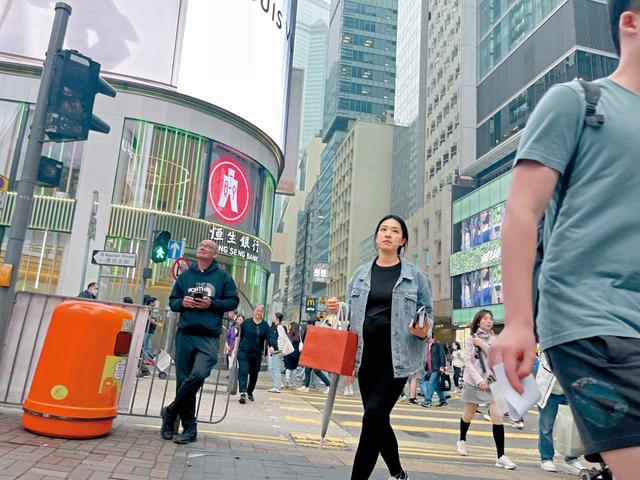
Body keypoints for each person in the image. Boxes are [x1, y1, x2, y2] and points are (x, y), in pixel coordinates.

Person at [492, 3, 640, 478]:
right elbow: (522, 211)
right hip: (592, 319)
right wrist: (518, 323)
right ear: (631, 22)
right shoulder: (579, 101)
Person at [347, 214, 432, 480]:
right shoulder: (360, 275)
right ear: (376, 236)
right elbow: (351, 314)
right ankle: (397, 472)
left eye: (394, 231)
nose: (387, 234)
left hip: (397, 359)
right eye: (383, 229)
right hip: (365, 357)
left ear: (402, 240)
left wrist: (422, 329)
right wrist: (337, 310)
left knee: (372, 416)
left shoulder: (416, 277)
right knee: (378, 421)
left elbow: (427, 314)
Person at [161, 239, 239, 444]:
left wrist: (211, 304)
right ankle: (189, 428)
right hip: (185, 334)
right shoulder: (186, 276)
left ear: (215, 254)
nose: (202, 247)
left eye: (207, 247)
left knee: (199, 374)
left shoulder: (223, 277)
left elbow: (233, 301)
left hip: (208, 336)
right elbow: (173, 302)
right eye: (200, 246)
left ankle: (170, 411)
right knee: (183, 380)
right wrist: (183, 302)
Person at [457, 309, 516, 470]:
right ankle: (462, 439)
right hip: (474, 383)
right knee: (468, 415)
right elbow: (468, 363)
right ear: (478, 322)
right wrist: (478, 381)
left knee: (497, 417)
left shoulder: (495, 339)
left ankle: (501, 456)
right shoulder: (470, 339)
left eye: (490, 318)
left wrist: (482, 344)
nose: (489, 321)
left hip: (491, 383)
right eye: (485, 319)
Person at [536, 353, 585, 474]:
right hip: (548, 392)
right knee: (546, 426)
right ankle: (546, 458)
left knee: (573, 425)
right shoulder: (550, 348)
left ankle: (572, 458)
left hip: (568, 392)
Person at [237, 305, 277, 404]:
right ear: (253, 312)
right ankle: (243, 393)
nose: (259, 313)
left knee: (254, 374)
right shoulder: (246, 323)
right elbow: (238, 336)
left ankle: (250, 391)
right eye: (257, 311)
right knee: (243, 370)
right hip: (244, 351)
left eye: (261, 311)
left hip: (257, 353)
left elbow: (270, 336)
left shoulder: (265, 325)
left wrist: (271, 346)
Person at [325, 297, 355, 396]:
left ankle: (348, 387)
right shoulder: (349, 319)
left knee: (348, 369)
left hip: (342, 344)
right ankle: (348, 387)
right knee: (350, 369)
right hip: (346, 344)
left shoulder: (336, 318)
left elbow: (327, 328)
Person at [297, 317, 331, 393]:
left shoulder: (309, 329)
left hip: (312, 353)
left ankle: (329, 385)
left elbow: (304, 339)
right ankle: (306, 386)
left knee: (316, 370)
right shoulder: (318, 331)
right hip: (314, 353)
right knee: (308, 369)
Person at [419, 333, 448, 408]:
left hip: (437, 368)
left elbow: (442, 355)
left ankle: (427, 401)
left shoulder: (438, 344)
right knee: (437, 386)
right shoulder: (426, 344)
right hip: (429, 368)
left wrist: (442, 366)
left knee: (431, 384)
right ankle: (443, 400)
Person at [268, 312, 286, 393]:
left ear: (277, 318)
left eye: (274, 316)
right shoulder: (274, 327)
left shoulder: (279, 327)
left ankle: (277, 386)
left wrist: (280, 350)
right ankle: (278, 384)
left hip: (277, 351)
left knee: (276, 368)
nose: (272, 318)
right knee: (271, 367)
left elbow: (282, 339)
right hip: (274, 351)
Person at [142, 296, 161, 363]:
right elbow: (149, 318)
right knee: (145, 346)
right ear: (151, 302)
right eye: (154, 302)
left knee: (148, 346)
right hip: (146, 330)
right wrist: (157, 323)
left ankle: (146, 359)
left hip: (149, 331)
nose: (155, 303)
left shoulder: (150, 309)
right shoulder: (147, 309)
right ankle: (145, 360)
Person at [283, 322, 301, 389]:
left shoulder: (288, 335)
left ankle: (287, 380)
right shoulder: (299, 336)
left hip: (288, 353)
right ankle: (292, 382)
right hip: (296, 354)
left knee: (288, 367)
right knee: (294, 368)